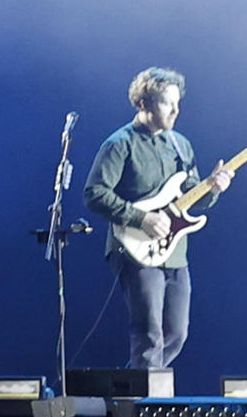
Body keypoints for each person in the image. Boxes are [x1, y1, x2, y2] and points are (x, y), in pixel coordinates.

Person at [84, 68, 233, 370]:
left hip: (175, 253)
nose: (176, 110)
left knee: (176, 333)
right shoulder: (120, 143)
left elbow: (191, 196)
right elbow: (94, 193)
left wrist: (214, 188)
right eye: (168, 103)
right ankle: (141, 407)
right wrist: (141, 218)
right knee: (149, 335)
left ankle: (131, 390)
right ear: (143, 104)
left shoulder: (180, 145)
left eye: (178, 103)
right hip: (135, 248)